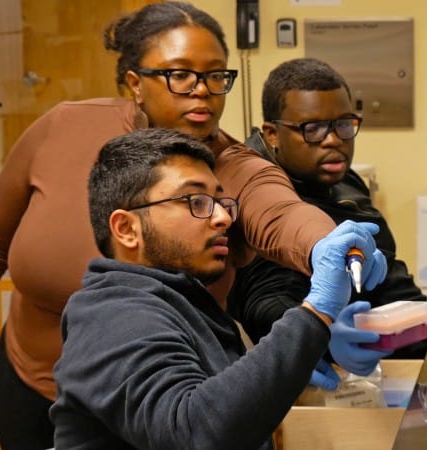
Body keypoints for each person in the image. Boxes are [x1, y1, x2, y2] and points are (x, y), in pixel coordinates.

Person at [0, 4, 369, 449]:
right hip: (30, 383)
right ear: (135, 83)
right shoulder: (64, 127)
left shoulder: (231, 170)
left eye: (216, 76)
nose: (202, 92)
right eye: (180, 75)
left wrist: (327, 246)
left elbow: (283, 216)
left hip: (162, 401)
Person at [51, 128, 384, 450]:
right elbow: (194, 433)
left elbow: (217, 397)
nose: (223, 216)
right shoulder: (113, 315)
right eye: (196, 200)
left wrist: (299, 361)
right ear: (126, 228)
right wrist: (316, 314)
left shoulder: (180, 301)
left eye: (219, 200)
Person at [231, 58, 427, 378]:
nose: (334, 140)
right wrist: (319, 336)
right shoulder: (257, 193)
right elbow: (266, 299)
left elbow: (391, 280)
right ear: (271, 133)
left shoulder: (341, 179)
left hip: (379, 353)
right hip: (320, 371)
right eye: (312, 129)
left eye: (344, 124)